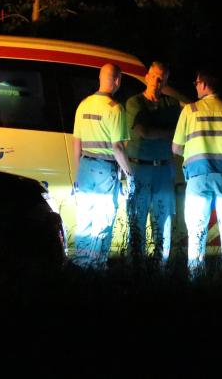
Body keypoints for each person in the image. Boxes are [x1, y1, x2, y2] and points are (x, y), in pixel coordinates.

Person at [172, 69, 222, 278]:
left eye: (196, 83)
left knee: (196, 229)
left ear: (203, 84)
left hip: (198, 176)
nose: (195, 86)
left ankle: (195, 277)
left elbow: (175, 148)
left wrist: (194, 153)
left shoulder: (189, 111)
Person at [72, 63, 132, 269]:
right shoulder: (115, 109)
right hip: (106, 170)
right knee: (103, 221)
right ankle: (97, 268)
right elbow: (117, 147)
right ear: (117, 81)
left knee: (85, 220)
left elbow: (76, 142)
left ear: (100, 78)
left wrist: (79, 169)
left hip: (85, 168)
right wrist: (128, 173)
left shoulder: (83, 104)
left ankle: (81, 265)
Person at [125, 62, 183, 265]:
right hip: (139, 168)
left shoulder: (172, 104)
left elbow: (177, 135)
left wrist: (155, 131)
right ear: (147, 77)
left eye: (162, 79)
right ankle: (136, 266)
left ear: (166, 82)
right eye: (154, 77)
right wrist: (165, 133)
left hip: (163, 169)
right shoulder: (134, 102)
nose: (157, 82)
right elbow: (144, 132)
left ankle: (161, 267)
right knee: (137, 219)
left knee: (163, 220)